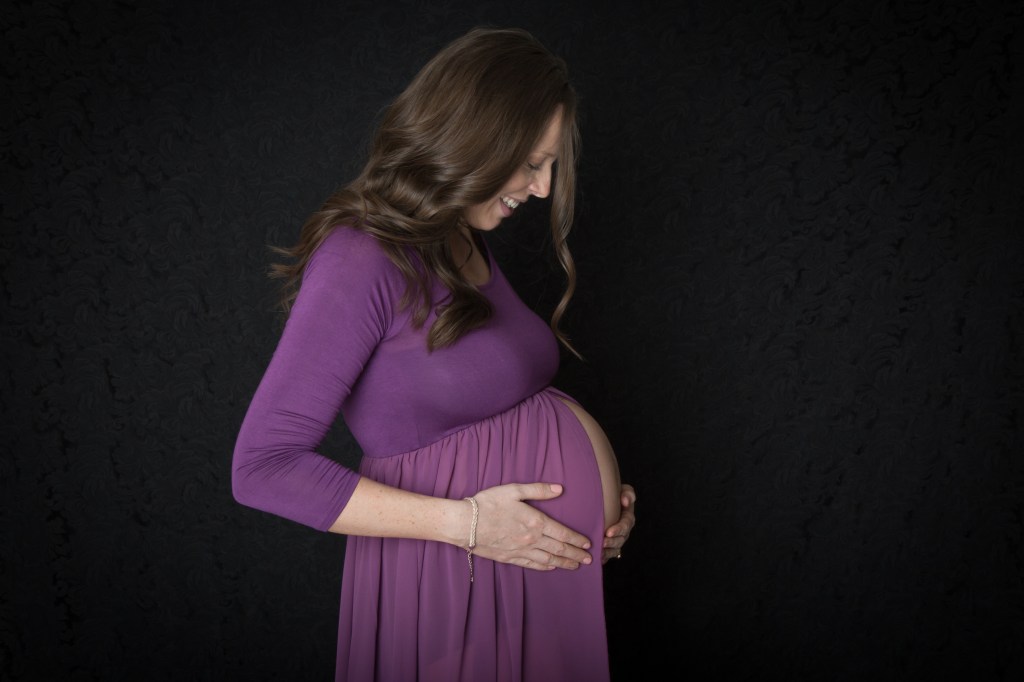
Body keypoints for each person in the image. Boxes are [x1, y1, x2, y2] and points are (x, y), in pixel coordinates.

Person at [232, 26, 636, 681]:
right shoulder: (361, 256)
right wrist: (469, 524)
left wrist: (603, 511)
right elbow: (261, 468)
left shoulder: (459, 239)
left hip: (520, 573)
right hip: (452, 576)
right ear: (474, 139)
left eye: (551, 166)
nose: (541, 188)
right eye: (532, 163)